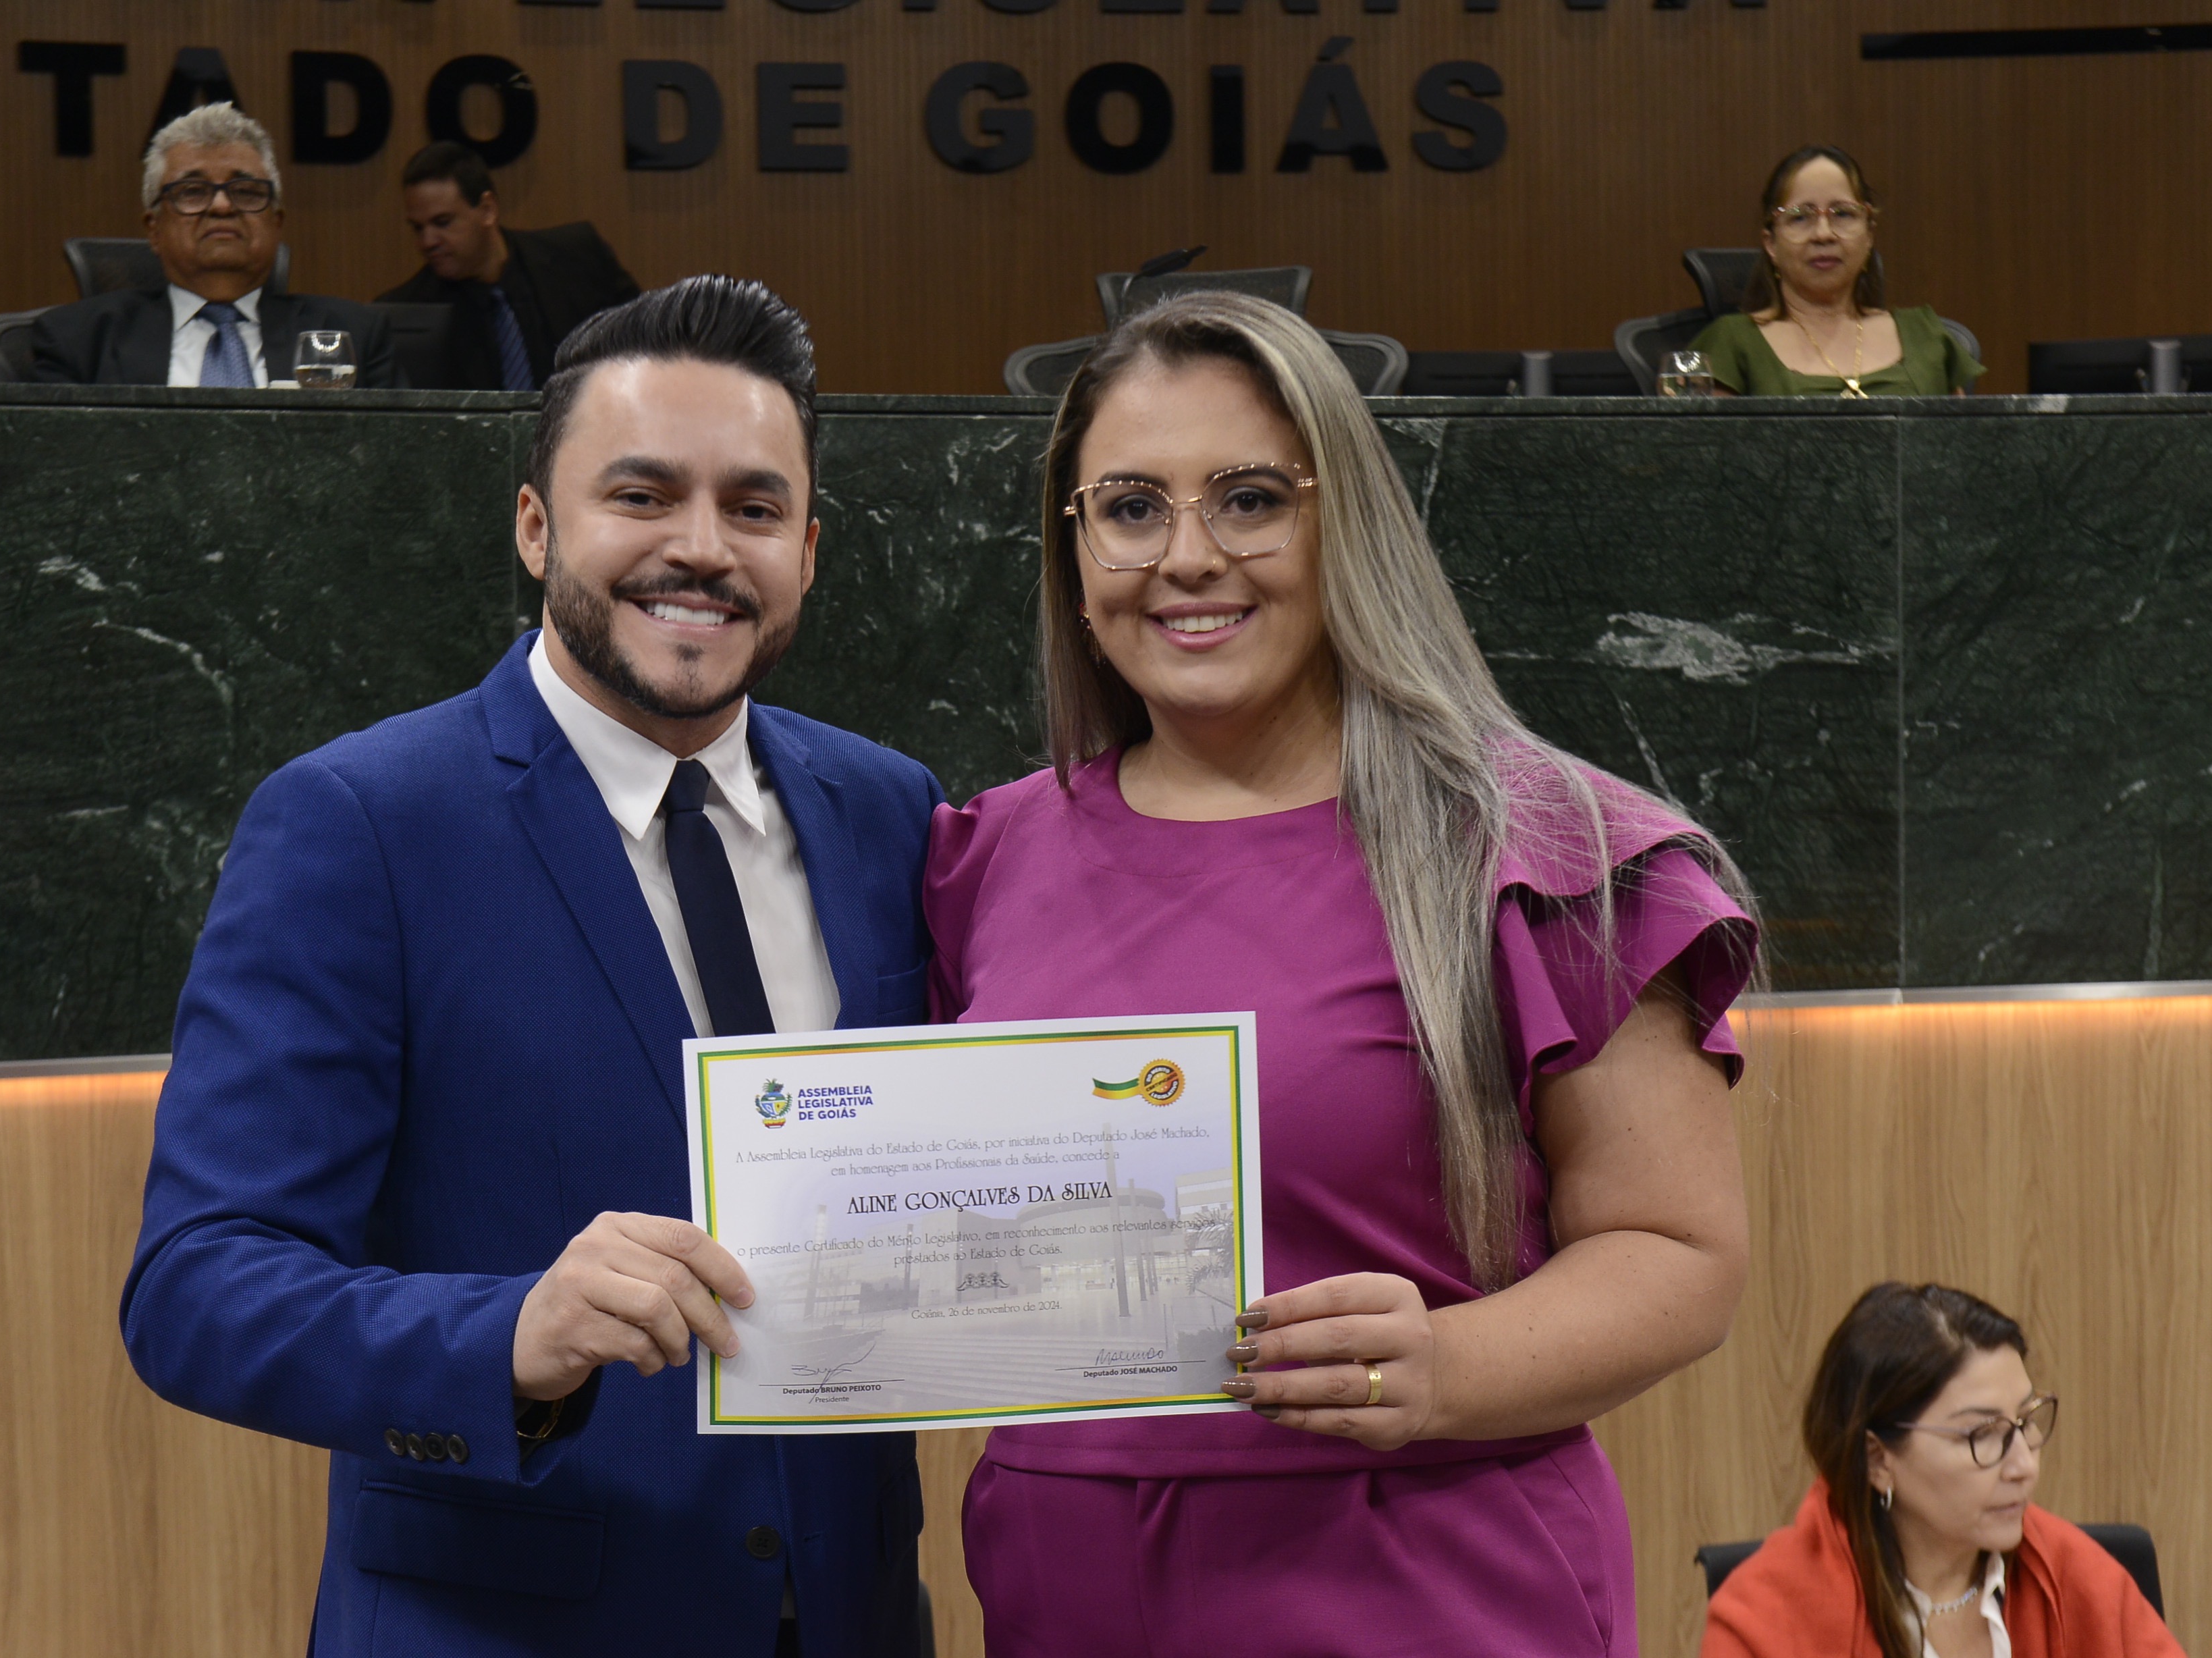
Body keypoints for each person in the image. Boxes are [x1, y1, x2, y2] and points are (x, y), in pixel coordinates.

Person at [927, 290, 1762, 1656]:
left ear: (1346, 525)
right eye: (1130, 509)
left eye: (1251, 499)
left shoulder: (1544, 845)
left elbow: (1681, 1255)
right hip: (1063, 1597)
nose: (1188, 556)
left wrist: (1446, 1367)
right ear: (1073, 554)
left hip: (1424, 1586)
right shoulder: (982, 857)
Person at [121, 276, 941, 1656]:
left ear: (807, 550)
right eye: (642, 495)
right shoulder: (359, 823)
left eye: (752, 508)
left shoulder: (893, 811)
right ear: (534, 524)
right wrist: (511, 1335)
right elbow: (197, 1289)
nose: (700, 548)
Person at [1703, 1283, 2182, 1658]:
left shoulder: (2081, 1578)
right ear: (1878, 1459)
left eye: (2026, 1420)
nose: (2024, 1466)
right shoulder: (1762, 1623)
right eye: (1983, 1434)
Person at [30, 103, 395, 388]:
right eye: (193, 192)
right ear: (154, 229)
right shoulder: (76, 341)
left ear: (276, 224)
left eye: (246, 192)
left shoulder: (354, 337)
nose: (222, 206)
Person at [1693, 146, 1980, 397]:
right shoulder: (1731, 344)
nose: (1823, 234)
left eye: (1843, 214)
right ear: (1771, 244)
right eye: (1800, 217)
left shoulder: (1928, 337)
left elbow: (1960, 441)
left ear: (1869, 236)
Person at [377, 140, 641, 391]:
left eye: (442, 222)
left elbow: (646, 343)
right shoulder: (406, 314)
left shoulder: (579, 257)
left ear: (488, 210)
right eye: (418, 228)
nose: (427, 241)